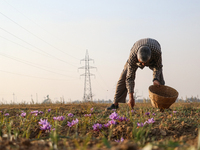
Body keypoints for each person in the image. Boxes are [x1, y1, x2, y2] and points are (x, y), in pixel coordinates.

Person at [106, 38, 165, 110]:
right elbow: (130, 78)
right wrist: (131, 97)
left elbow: (158, 67)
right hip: (136, 54)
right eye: (141, 62)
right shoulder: (133, 57)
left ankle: (162, 105)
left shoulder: (156, 53)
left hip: (154, 54)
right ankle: (115, 104)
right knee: (124, 76)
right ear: (137, 57)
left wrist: (155, 78)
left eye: (145, 62)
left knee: (159, 78)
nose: (143, 64)